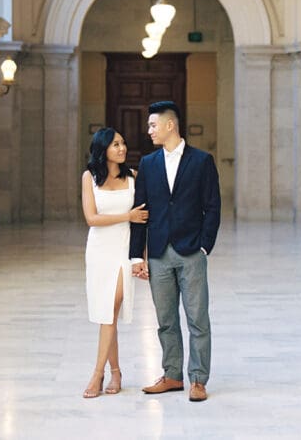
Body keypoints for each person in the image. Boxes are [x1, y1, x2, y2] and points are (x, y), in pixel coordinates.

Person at [130, 100, 221, 402]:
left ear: (171, 125)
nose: (149, 130)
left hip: (191, 251)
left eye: (153, 125)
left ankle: (198, 379)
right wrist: (136, 255)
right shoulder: (148, 163)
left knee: (197, 319)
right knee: (166, 319)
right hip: (158, 253)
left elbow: (213, 206)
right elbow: (140, 211)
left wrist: (205, 246)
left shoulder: (201, 161)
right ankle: (171, 375)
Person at [81, 127, 148, 398]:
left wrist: (138, 258)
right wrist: (126, 216)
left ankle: (97, 375)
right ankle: (116, 373)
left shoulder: (134, 177)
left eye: (123, 143)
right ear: (103, 149)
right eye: (116, 144)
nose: (122, 148)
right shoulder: (89, 177)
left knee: (110, 310)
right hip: (99, 250)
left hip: (123, 249)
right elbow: (91, 218)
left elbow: (142, 221)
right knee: (106, 314)